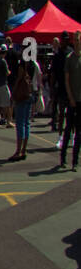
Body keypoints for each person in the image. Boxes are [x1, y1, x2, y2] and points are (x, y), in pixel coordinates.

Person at [8, 49, 39, 161]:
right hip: (30, 94)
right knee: (26, 123)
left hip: (22, 95)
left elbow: (19, 79)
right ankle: (23, 150)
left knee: (20, 123)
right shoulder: (33, 64)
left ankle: (18, 151)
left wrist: (13, 93)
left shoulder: (23, 64)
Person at [61, 31, 80, 171]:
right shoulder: (69, 58)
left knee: (79, 132)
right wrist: (71, 97)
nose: (78, 42)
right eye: (77, 40)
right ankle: (63, 158)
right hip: (72, 100)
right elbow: (66, 80)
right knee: (68, 130)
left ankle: (75, 161)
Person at [50, 37, 68, 131]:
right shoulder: (57, 55)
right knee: (57, 105)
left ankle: (62, 126)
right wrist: (52, 85)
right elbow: (53, 72)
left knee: (63, 108)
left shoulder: (68, 52)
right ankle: (55, 123)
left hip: (65, 84)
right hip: (58, 84)